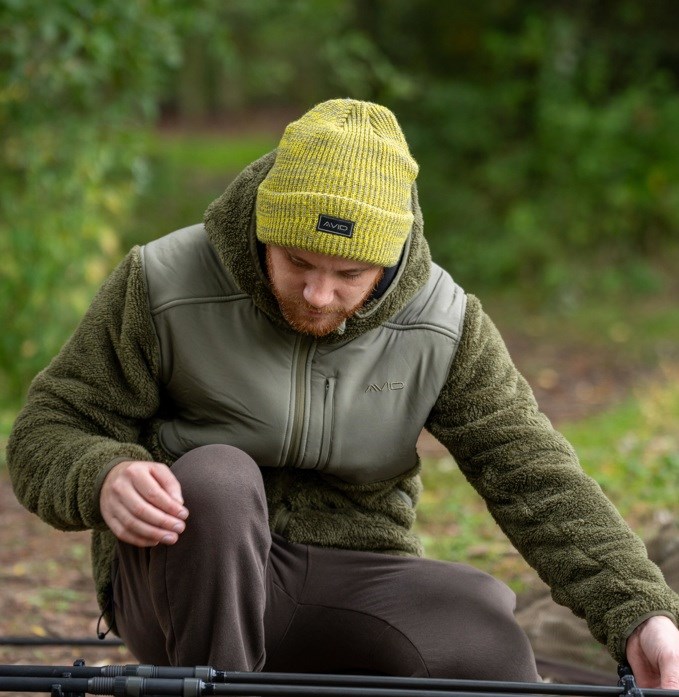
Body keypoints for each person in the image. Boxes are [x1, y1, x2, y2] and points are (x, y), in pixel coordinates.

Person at [7, 99, 679, 686]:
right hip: (184, 582)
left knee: (482, 624)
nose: (318, 294)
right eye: (296, 261)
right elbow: (46, 428)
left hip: (351, 574)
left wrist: (639, 611)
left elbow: (533, 474)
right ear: (264, 225)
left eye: (348, 274)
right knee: (216, 477)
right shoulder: (160, 282)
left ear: (390, 259)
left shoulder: (444, 323)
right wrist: (103, 475)